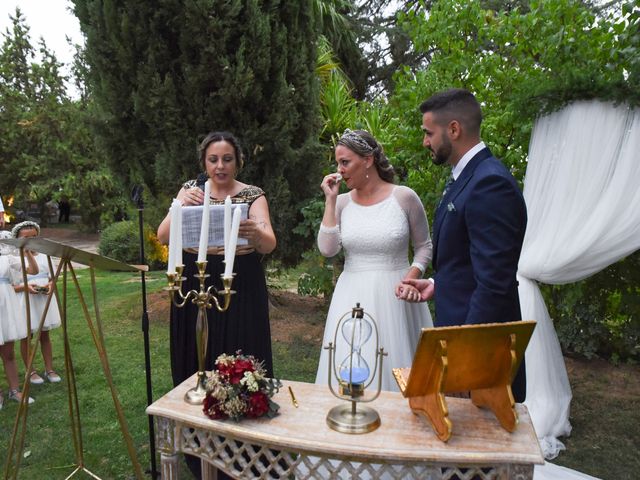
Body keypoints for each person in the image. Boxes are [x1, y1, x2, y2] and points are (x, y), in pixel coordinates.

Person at [157, 131, 276, 479]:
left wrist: (256, 234)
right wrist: (180, 203)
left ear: (237, 160)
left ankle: (244, 439)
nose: (220, 166)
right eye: (213, 159)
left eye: (227, 159)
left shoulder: (252, 195)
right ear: (204, 162)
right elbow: (164, 236)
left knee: (240, 350)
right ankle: (198, 439)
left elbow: (269, 242)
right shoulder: (190, 190)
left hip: (240, 282)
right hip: (195, 282)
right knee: (198, 355)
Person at [400, 88, 528, 402]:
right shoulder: (465, 177)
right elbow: (469, 259)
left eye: (429, 133)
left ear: (454, 129)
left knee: (480, 444)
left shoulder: (489, 183)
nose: (425, 141)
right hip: (458, 333)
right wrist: (436, 282)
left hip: (478, 357)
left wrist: (462, 359)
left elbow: (494, 284)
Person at [315, 129, 433, 392]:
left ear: (367, 160)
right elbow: (327, 249)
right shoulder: (342, 202)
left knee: (395, 359)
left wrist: (412, 277)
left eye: (345, 162)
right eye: (338, 163)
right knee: (351, 361)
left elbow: (424, 246)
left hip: (396, 295)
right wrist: (330, 201)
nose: (339, 170)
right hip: (351, 295)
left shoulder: (404, 197)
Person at [11, 221, 62, 385]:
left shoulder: (44, 256)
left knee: (45, 335)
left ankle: (49, 368)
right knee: (27, 337)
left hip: (43, 299)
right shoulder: (13, 259)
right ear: (17, 239)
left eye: (34, 237)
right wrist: (25, 288)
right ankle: (30, 371)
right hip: (25, 301)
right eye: (26, 238)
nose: (31, 240)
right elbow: (10, 286)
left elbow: (53, 277)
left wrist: (50, 286)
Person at [0, 230, 38, 406]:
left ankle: (14, 390)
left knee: (8, 352)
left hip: (6, 305)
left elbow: (33, 270)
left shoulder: (8, 258)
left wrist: (27, 251)